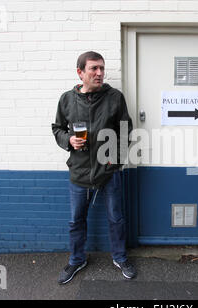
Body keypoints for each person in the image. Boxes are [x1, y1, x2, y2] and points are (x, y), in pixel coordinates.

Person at [52, 51, 135, 284]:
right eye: (93, 69)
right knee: (76, 220)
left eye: (102, 68)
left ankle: (119, 257)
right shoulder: (67, 99)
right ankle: (77, 259)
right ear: (80, 72)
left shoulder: (115, 98)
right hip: (79, 171)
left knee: (115, 218)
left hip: (108, 172)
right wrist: (68, 139)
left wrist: (115, 160)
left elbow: (126, 131)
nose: (99, 73)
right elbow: (57, 128)